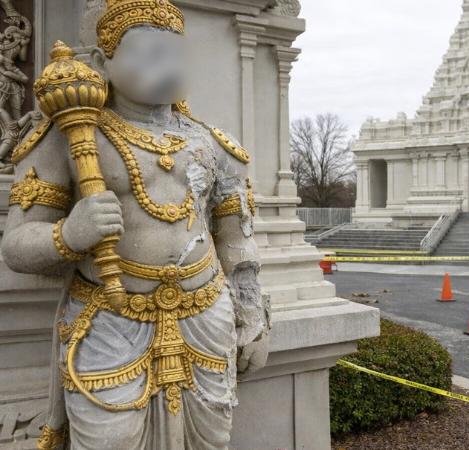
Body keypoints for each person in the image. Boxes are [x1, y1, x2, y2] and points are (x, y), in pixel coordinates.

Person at [1, 1, 269, 448]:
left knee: (211, 441)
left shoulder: (214, 144)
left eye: (176, 55)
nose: (167, 68)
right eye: (147, 54)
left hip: (206, 315)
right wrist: (68, 236)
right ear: (104, 62)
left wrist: (252, 314)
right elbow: (16, 245)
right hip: (109, 319)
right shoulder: (69, 135)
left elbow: (237, 241)